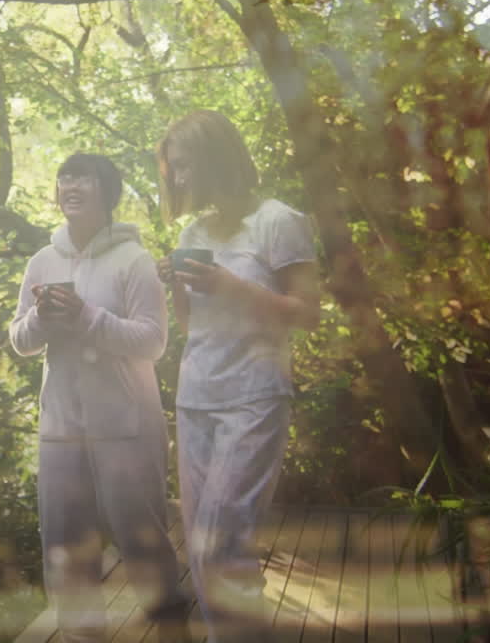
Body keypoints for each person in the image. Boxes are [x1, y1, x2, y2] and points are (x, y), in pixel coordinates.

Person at [10, 153, 190, 643]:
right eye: (64, 177)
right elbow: (20, 342)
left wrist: (87, 315)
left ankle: (173, 631)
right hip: (61, 429)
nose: (70, 185)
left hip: (128, 426)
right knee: (65, 546)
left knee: (143, 540)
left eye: (82, 178)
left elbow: (153, 342)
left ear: (107, 192)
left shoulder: (133, 260)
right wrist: (43, 320)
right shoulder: (43, 261)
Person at [156, 110, 320, 642]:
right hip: (196, 394)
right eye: (173, 171)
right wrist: (179, 282)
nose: (177, 180)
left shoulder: (277, 220)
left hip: (254, 393)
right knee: (203, 541)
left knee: (224, 535)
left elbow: (307, 313)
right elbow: (190, 324)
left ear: (212, 158)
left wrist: (227, 283)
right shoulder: (193, 230)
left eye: (183, 167)